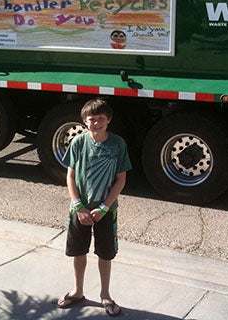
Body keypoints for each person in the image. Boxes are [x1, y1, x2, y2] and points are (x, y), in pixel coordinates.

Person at [57, 98, 132, 317]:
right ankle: (78, 290)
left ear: (108, 120)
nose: (96, 123)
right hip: (79, 210)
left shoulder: (118, 144)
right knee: (78, 251)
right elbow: (70, 175)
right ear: (84, 121)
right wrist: (78, 205)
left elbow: (121, 179)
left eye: (101, 119)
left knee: (105, 253)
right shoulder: (78, 142)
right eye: (92, 119)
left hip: (105, 211)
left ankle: (105, 295)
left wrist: (104, 207)